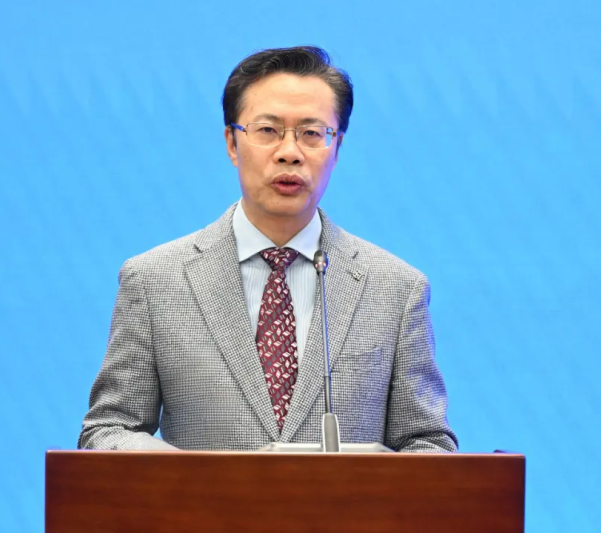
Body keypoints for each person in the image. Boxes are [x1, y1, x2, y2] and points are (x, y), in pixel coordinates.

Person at [78, 46, 457, 452]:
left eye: (312, 133)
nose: (289, 152)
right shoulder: (154, 280)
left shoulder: (396, 288)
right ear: (231, 142)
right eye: (268, 131)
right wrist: (184, 472)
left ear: (337, 148)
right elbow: (107, 431)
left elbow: (427, 443)